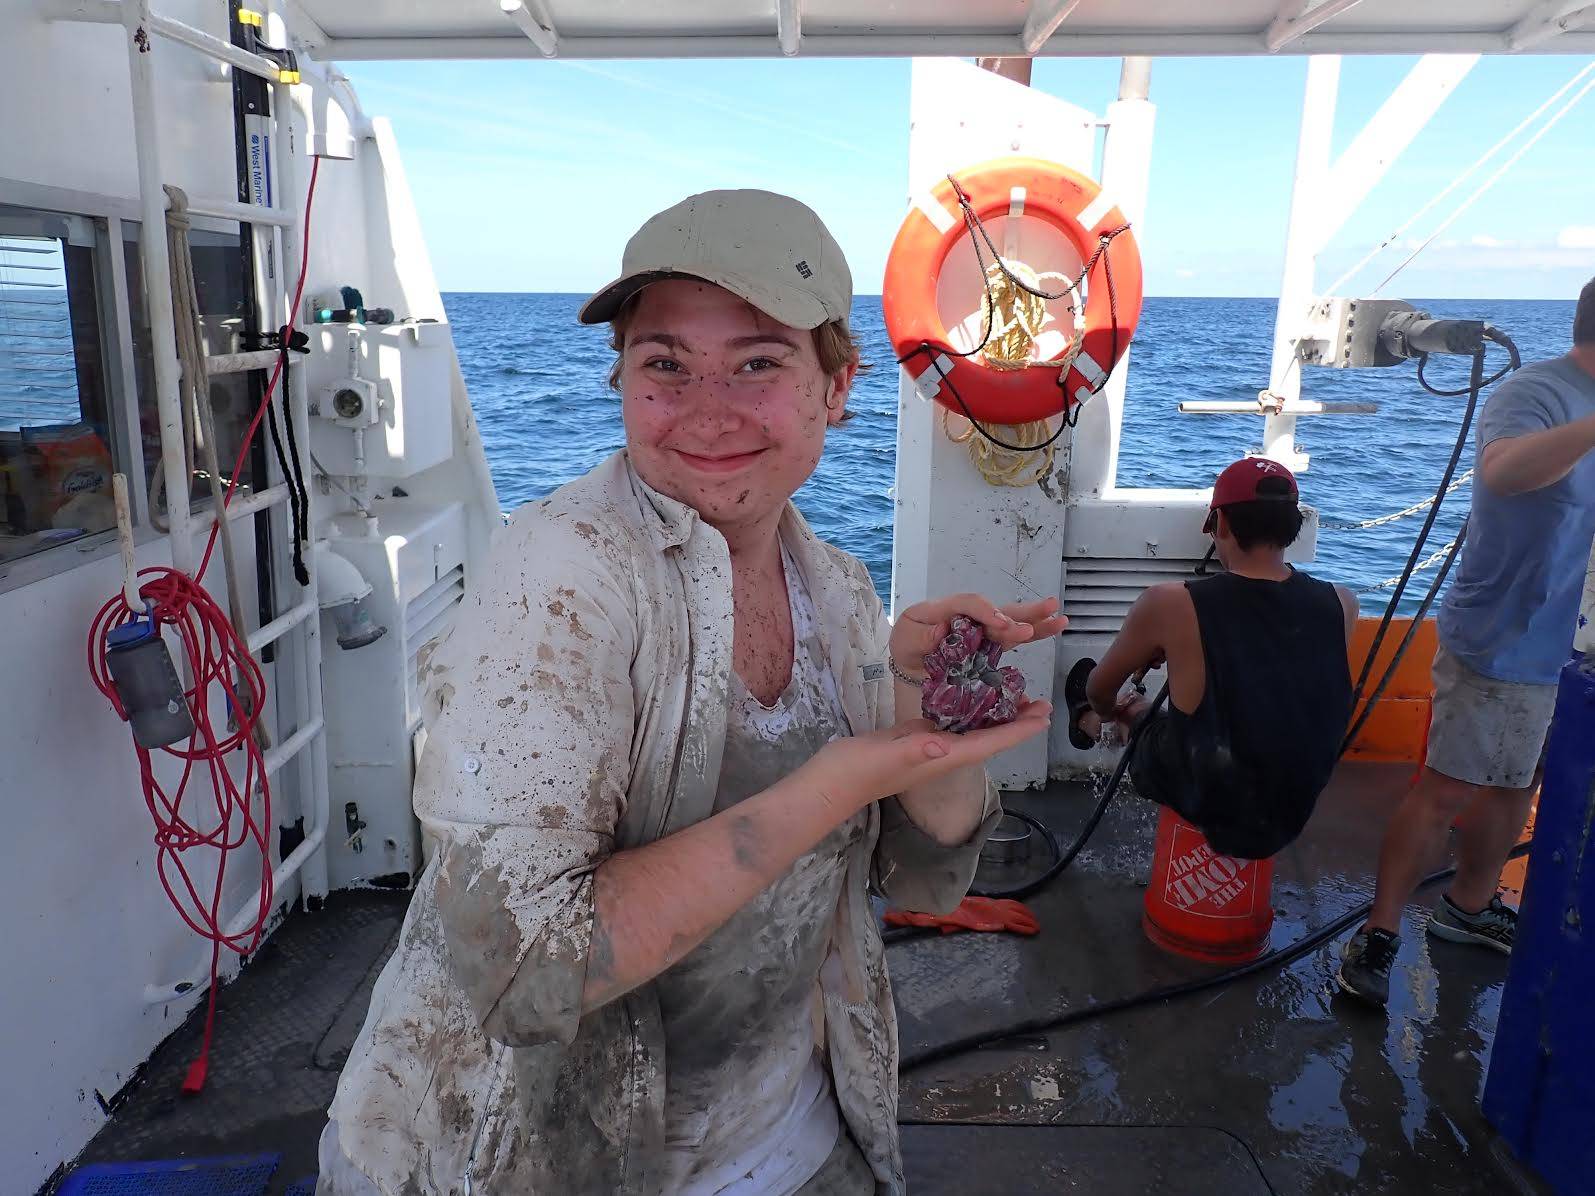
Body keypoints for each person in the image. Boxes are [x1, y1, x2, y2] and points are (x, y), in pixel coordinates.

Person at [315, 189, 1061, 1195]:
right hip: (527, 1162)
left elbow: (921, 875)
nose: (708, 411)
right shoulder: (559, 574)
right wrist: (838, 779)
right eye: (665, 363)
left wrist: (919, 718)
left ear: (835, 386)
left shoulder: (838, 588)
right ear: (622, 378)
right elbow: (522, 970)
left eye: (757, 363)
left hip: (796, 1131)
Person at [1338, 277, 1595, 1007]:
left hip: (1570, 647)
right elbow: (1504, 471)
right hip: (1504, 635)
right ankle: (1380, 931)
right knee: (1447, 788)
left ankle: (1469, 907)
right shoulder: (1535, 393)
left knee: (1518, 782)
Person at [1068, 458, 1358, 860]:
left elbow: (1100, 689)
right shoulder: (1342, 602)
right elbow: (1280, 674)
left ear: (1220, 523)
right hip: (1293, 807)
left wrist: (1108, 709)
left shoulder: (1170, 602)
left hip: (1213, 801)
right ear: (1293, 527)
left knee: (1129, 708)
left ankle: (1087, 725)